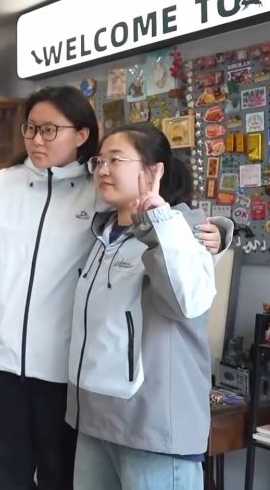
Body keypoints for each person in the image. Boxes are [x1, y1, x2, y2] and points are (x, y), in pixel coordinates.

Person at [0, 86, 227, 490]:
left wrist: (219, 232)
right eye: (31, 128)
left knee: (59, 476)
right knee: (8, 473)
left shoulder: (98, 190)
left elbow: (165, 212)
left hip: (64, 370)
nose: (37, 139)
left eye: (50, 130)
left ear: (81, 134)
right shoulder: (0, 185)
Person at [68, 123, 215, 490]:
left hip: (153, 429)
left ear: (153, 172)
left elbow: (188, 301)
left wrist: (159, 221)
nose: (103, 170)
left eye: (116, 160)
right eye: (99, 161)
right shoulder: (101, 235)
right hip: (95, 419)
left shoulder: (187, 232)